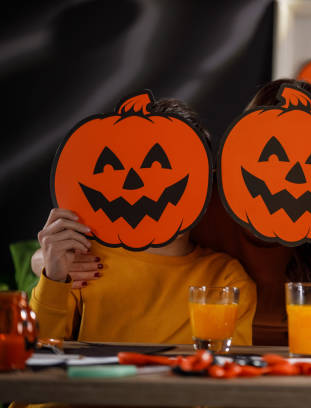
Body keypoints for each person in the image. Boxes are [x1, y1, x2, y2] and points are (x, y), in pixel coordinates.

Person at [30, 97, 257, 345]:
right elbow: (38, 352)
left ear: (205, 183)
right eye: (114, 165)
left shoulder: (225, 279)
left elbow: (230, 369)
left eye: (159, 165)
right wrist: (54, 277)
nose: (134, 184)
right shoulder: (82, 266)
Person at [191, 78, 311, 346]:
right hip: (216, 357)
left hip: (301, 363)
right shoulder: (204, 204)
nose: (296, 177)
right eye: (274, 156)